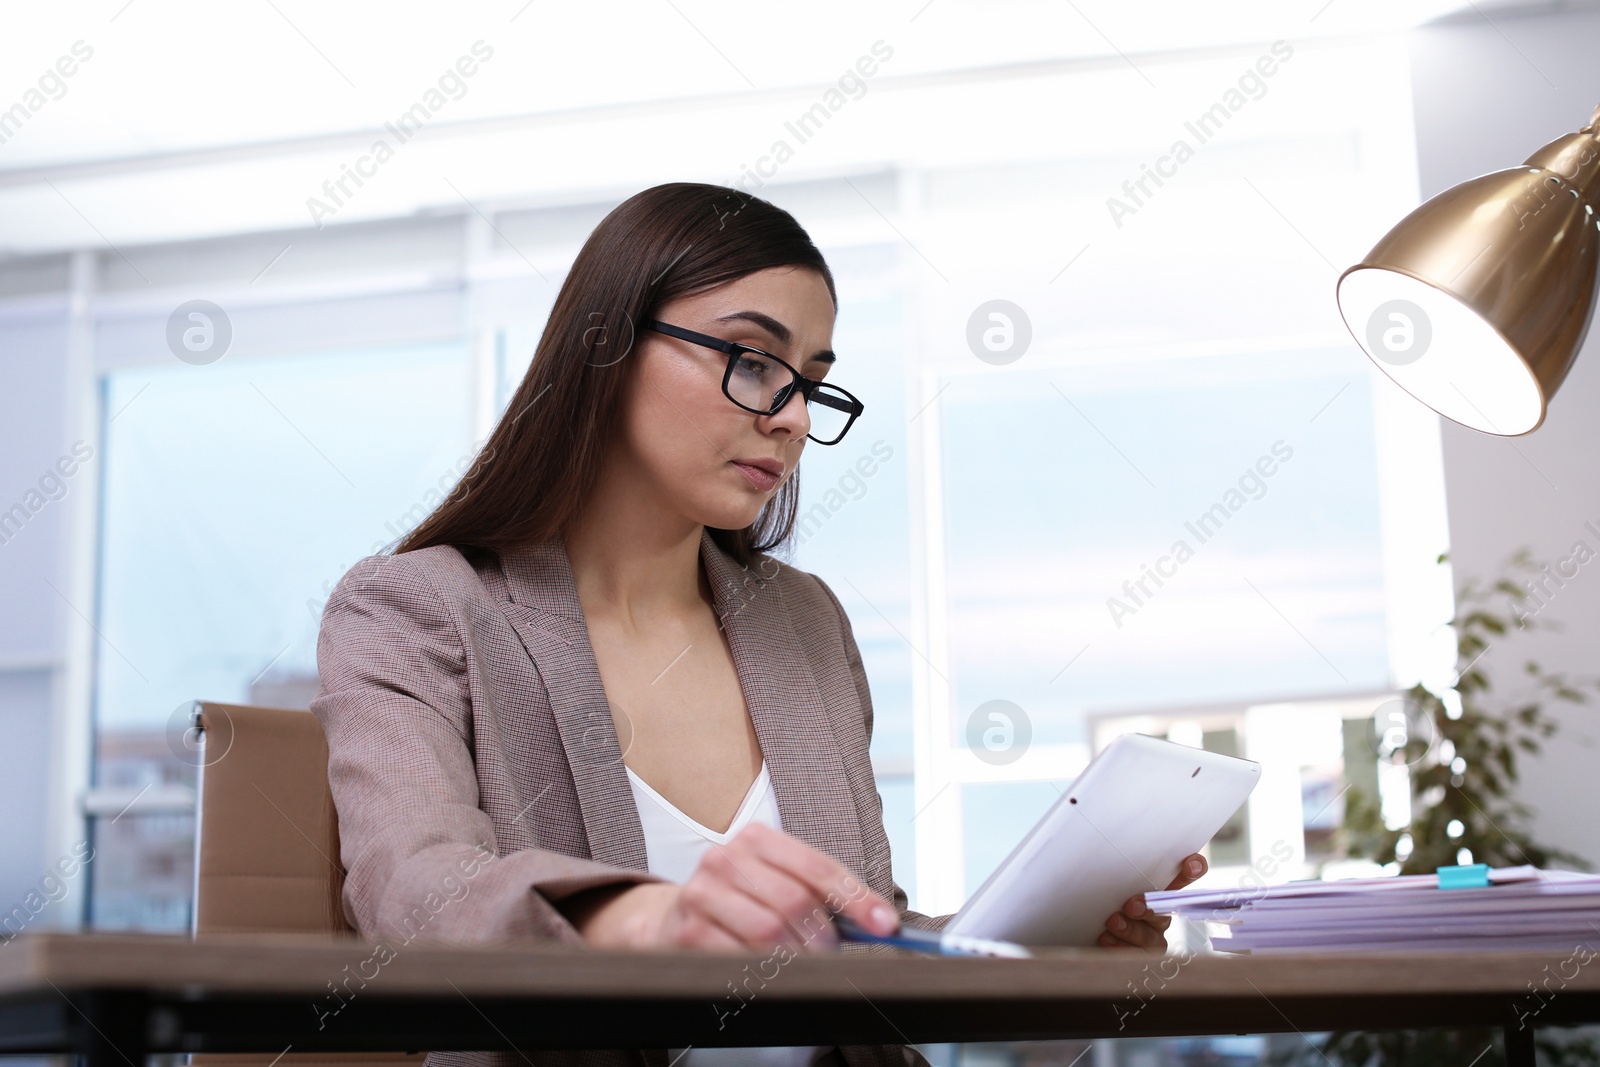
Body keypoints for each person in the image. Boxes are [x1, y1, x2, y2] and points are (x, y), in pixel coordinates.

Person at [311, 182, 1206, 1067]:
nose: (791, 417)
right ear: (607, 345)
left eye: (811, 383)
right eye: (752, 359)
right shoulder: (416, 609)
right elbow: (414, 886)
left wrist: (1047, 956)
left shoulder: (805, 621)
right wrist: (640, 917)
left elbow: (863, 931)